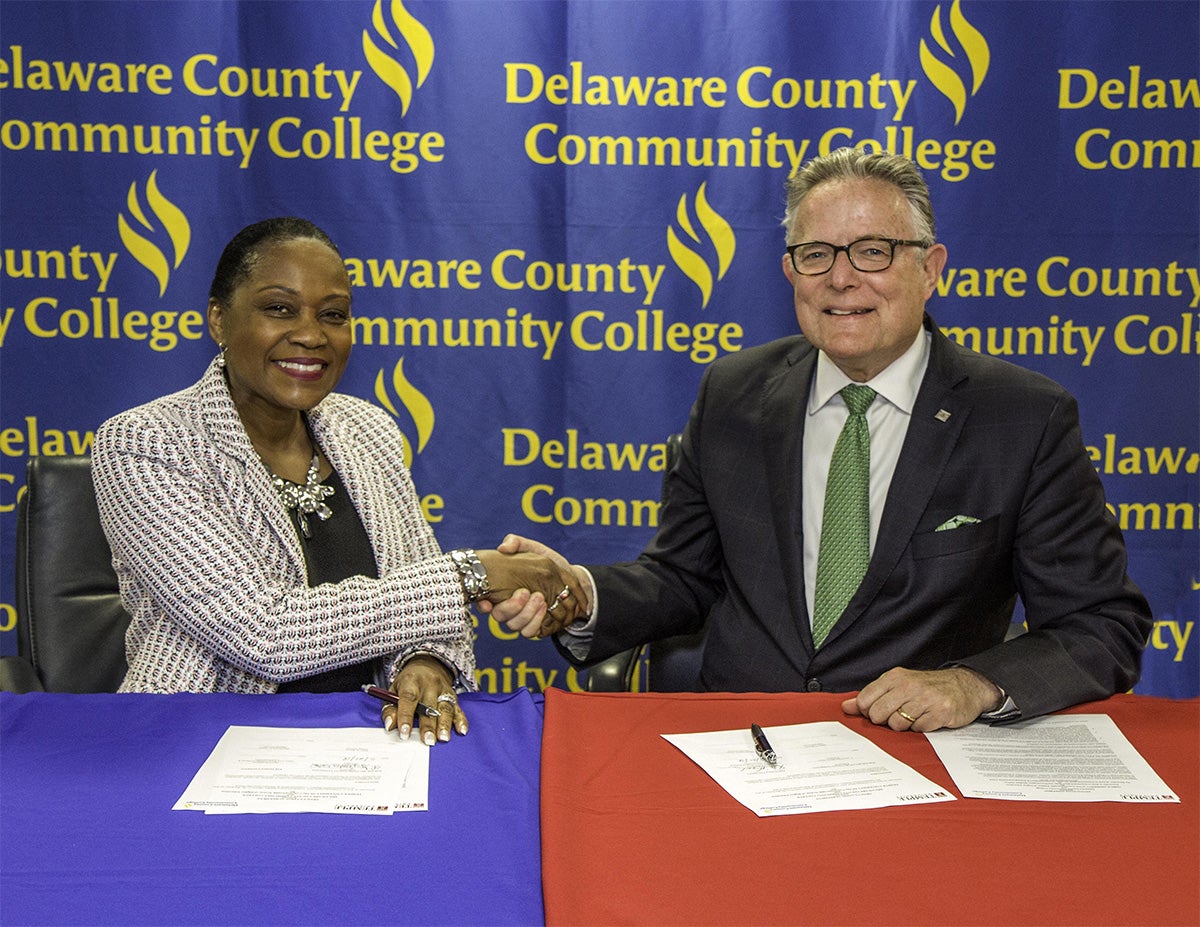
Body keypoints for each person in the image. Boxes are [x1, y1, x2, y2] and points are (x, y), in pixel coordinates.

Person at [483, 147, 1153, 732]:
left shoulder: (1023, 418)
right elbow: (682, 578)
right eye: (816, 255)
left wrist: (969, 684)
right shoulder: (734, 393)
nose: (840, 278)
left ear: (931, 268)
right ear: (791, 273)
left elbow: (1101, 626)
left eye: (873, 251)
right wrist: (577, 591)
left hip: (917, 758)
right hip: (740, 743)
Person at [92, 217, 586, 744]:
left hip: (368, 742)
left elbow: (421, 597)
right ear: (218, 319)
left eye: (333, 315)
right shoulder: (145, 442)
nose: (310, 335)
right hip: (197, 741)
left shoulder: (366, 428)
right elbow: (264, 633)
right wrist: (471, 574)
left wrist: (423, 660)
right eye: (278, 308)